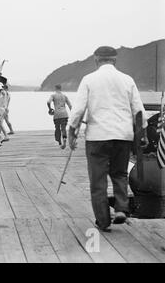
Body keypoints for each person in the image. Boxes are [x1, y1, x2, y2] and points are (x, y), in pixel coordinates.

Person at [68, 46, 148, 232]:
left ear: (96, 59)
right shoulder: (127, 80)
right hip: (123, 135)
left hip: (98, 136)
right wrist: (142, 134)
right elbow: (138, 110)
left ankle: (103, 221)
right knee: (120, 174)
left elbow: (78, 110)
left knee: (98, 181)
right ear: (115, 60)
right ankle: (121, 208)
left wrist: (72, 134)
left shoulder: (89, 79)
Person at [47, 84, 72, 149]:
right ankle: (64, 140)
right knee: (63, 128)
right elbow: (70, 106)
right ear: (61, 88)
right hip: (64, 114)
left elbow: (48, 102)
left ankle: (59, 142)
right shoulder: (64, 96)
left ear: (55, 88)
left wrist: (49, 109)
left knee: (57, 128)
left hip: (57, 115)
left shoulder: (53, 95)